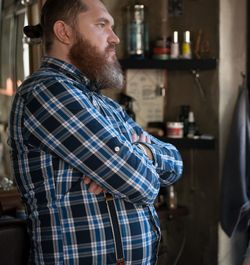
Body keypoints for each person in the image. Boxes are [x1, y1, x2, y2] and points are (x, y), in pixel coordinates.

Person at [8, 0, 183, 264]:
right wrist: (134, 161)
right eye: (102, 25)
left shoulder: (106, 105)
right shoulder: (46, 92)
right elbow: (142, 185)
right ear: (64, 32)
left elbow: (176, 163)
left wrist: (142, 151)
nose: (115, 38)